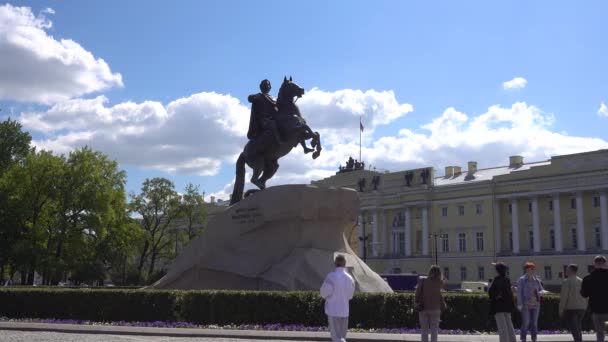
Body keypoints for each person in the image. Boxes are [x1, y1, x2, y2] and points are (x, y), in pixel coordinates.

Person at [320, 254, 355, 342]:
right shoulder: (350, 278)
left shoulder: (331, 276)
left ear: (335, 263)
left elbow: (323, 293)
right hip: (344, 311)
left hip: (333, 310)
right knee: (342, 337)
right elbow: (350, 296)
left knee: (336, 338)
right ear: (345, 263)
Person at [247, 79, 282, 146]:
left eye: (268, 85)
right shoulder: (259, 95)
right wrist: (253, 97)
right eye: (265, 85)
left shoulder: (273, 98)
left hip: (274, 118)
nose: (267, 86)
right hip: (264, 120)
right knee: (273, 124)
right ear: (261, 87)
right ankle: (279, 141)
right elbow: (249, 98)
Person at [415, 265, 445, 342]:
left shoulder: (423, 281)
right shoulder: (440, 283)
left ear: (430, 272)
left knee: (424, 330)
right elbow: (439, 294)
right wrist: (443, 304)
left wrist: (416, 302)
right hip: (436, 309)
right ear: (439, 273)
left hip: (423, 308)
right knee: (434, 329)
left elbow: (417, 293)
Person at [581, 255, 608, 342]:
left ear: (594, 264)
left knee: (600, 333)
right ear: (605, 263)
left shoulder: (588, 278)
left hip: (596, 310)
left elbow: (584, 294)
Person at [488, 262, 516, 342]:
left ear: (497, 271)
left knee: (502, 328)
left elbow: (491, 293)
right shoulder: (507, 279)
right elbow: (509, 294)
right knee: (509, 326)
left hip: (498, 307)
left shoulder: (497, 280)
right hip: (507, 307)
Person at [517, 262, 544, 342]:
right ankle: (523, 338)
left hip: (536, 304)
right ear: (526, 270)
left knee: (534, 323)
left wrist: (541, 292)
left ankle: (534, 338)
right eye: (531, 269)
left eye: (533, 269)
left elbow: (541, 289)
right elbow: (519, 293)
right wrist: (519, 304)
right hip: (526, 304)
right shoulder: (522, 280)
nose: (533, 270)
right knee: (526, 322)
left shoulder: (537, 280)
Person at [559, 264, 587, 342]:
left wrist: (561, 309)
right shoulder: (581, 281)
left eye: (567, 270)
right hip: (582, 308)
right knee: (578, 327)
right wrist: (585, 306)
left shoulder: (566, 281)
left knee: (574, 329)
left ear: (571, 271)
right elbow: (586, 295)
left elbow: (564, 297)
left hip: (571, 308)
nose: (565, 271)